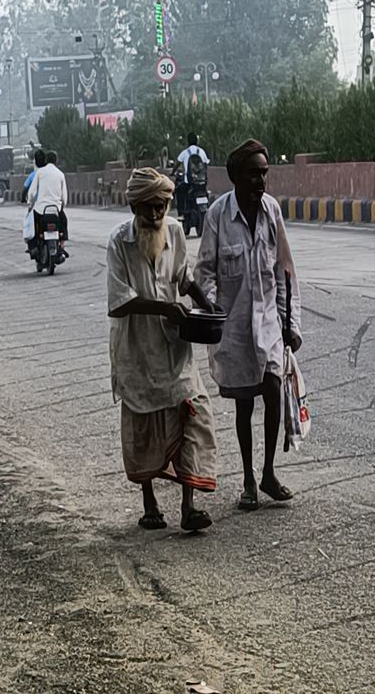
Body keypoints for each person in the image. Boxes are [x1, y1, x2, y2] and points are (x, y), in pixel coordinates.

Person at [107, 168, 217, 532]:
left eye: (161, 208)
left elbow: (184, 278)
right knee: (143, 424)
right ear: (134, 206)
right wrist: (162, 308)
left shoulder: (174, 231)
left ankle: (189, 506)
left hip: (174, 346)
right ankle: (149, 501)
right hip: (137, 349)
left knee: (192, 412)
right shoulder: (118, 243)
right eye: (148, 209)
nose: (155, 216)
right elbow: (119, 302)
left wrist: (207, 305)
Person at [196, 139, 302, 512]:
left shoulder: (272, 211)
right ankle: (247, 479)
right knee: (244, 403)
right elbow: (205, 270)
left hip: (269, 320)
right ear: (237, 177)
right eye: (254, 173)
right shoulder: (218, 215)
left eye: (265, 173)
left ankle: (269, 471)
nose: (261, 180)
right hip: (235, 323)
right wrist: (209, 308)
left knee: (273, 386)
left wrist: (292, 323)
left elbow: (285, 271)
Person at [26, 150, 69, 254]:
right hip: (56, 209)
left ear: (46, 160)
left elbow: (31, 192)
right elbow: (64, 197)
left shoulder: (40, 173)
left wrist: (30, 203)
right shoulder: (60, 174)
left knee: (33, 224)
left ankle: (34, 246)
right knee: (64, 222)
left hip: (41, 209)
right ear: (56, 161)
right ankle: (62, 246)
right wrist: (62, 206)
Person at [173, 133, 211, 216]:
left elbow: (177, 164)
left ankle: (181, 214)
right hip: (202, 183)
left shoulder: (185, 152)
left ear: (188, 141)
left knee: (179, 191)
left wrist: (172, 172)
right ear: (197, 141)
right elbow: (205, 165)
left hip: (189, 183)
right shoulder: (201, 151)